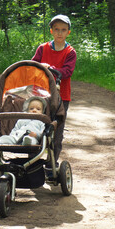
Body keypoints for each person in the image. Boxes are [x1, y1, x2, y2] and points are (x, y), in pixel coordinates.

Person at [32, 14, 77, 165]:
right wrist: (40, 67)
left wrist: (49, 68)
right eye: (56, 29)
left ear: (68, 32)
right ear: (51, 31)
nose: (59, 33)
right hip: (40, 94)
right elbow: (33, 66)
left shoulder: (70, 52)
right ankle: (32, 160)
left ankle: (52, 162)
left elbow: (67, 72)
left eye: (63, 30)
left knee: (57, 131)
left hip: (61, 96)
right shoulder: (42, 48)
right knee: (36, 125)